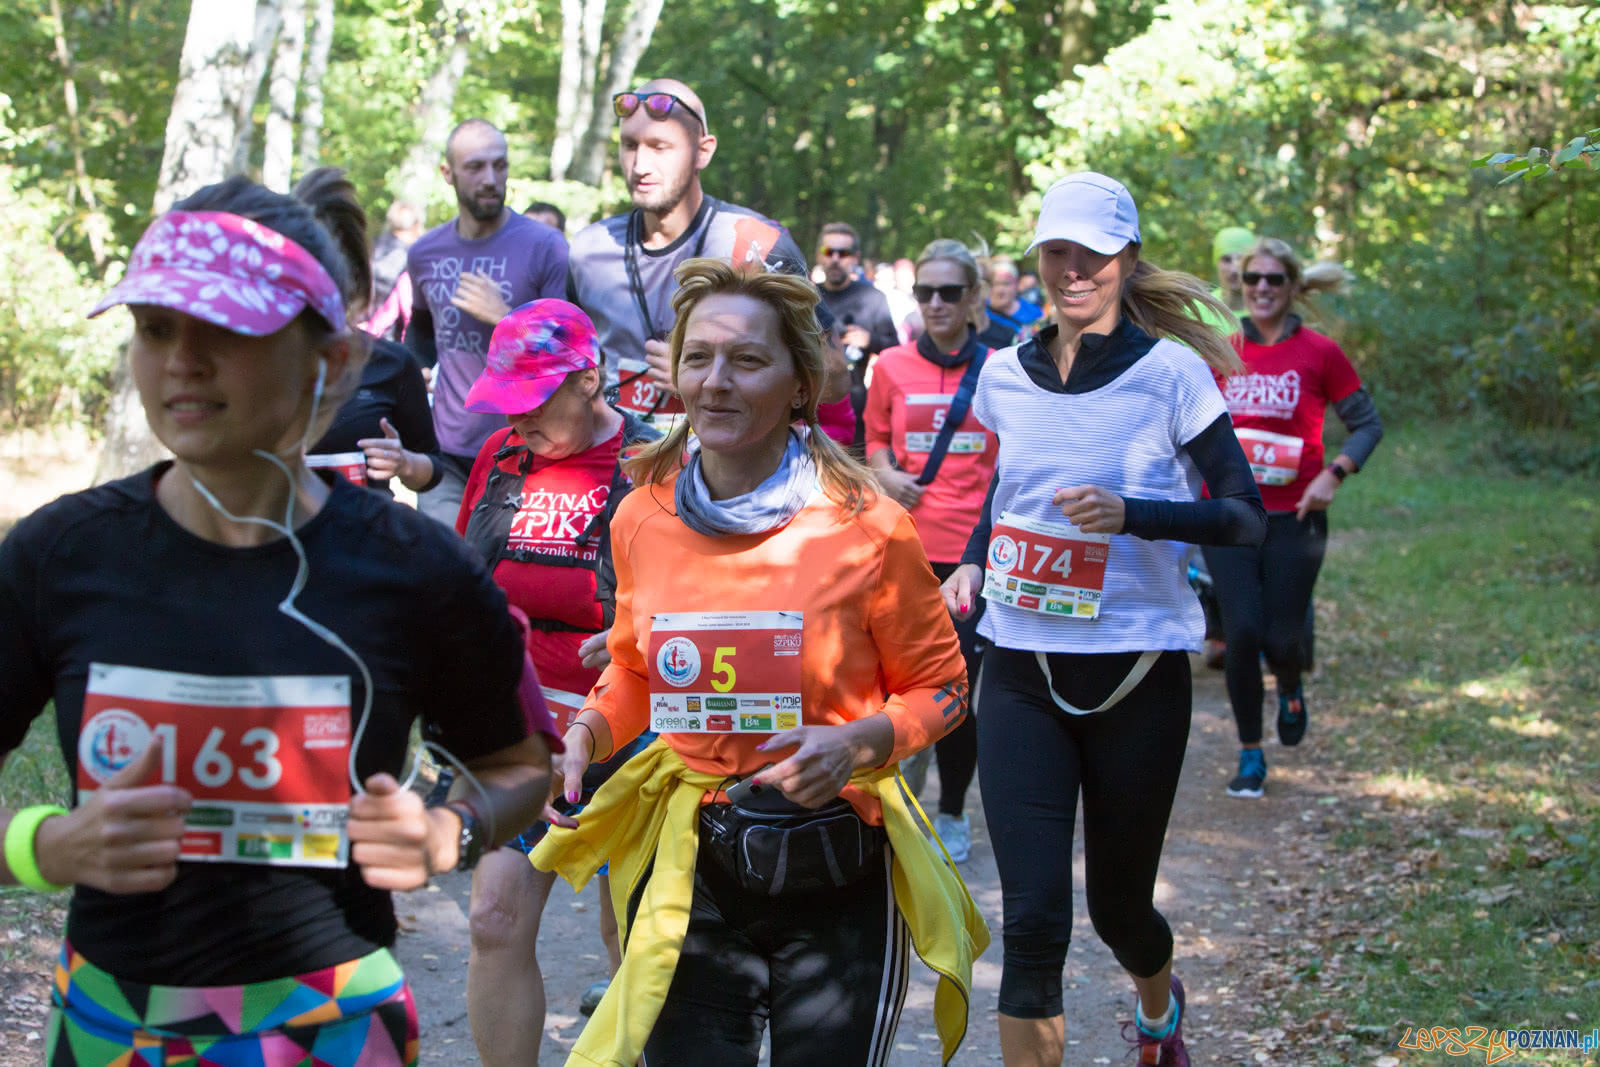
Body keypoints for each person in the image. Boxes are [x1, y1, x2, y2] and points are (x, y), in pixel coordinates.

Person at [0, 175, 554, 1066]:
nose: (181, 360)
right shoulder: (62, 555)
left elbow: (522, 766)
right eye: (154, 328)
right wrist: (44, 844)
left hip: (335, 1027)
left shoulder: (416, 569)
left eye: (224, 331)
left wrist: (451, 827)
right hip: (113, 1025)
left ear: (328, 360)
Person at [533, 257, 988, 1066]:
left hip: (837, 863)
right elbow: (639, 666)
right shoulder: (642, 513)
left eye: (747, 360)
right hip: (690, 866)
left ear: (798, 383)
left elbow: (946, 689)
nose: (716, 381)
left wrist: (858, 744)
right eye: (699, 356)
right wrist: (590, 730)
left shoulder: (868, 526)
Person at [940, 172, 1267, 1066]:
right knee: (1035, 917)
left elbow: (1244, 514)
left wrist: (1137, 513)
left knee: (1120, 909)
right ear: (1038, 257)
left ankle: (1159, 1011)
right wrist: (973, 555)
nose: (1074, 268)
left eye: (1094, 253)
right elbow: (1012, 490)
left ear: (1125, 260)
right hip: (1020, 670)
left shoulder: (1171, 374)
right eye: (1058, 251)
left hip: (1136, 673)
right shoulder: (1004, 373)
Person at [452, 299, 661, 1065]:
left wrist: (638, 636)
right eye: (506, 404)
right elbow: (463, 596)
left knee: (632, 931)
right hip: (522, 723)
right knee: (493, 918)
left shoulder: (659, 463)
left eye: (533, 402)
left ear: (590, 378)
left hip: (634, 726)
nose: (518, 422)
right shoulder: (500, 460)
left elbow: (713, 600)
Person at [1204, 238, 1382, 799]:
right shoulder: (1221, 350)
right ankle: (1251, 754)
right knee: (1241, 632)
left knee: (1283, 637)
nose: (1260, 288)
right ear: (1241, 285)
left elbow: (1368, 424)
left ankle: (1289, 683)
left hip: (1295, 517)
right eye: (1252, 278)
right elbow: (1189, 424)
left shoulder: (1320, 352)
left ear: (1292, 287)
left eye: (1274, 280)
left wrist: (1337, 472)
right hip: (1230, 516)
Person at [566, 78, 809, 430]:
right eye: (629, 145)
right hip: (620, 469)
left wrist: (702, 370)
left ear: (704, 151)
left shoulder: (756, 244)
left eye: (660, 147)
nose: (640, 165)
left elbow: (829, 380)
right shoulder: (589, 249)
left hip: (727, 469)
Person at [864, 238, 997, 863]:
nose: (936, 303)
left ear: (973, 298)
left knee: (958, 687)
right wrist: (886, 473)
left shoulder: (1001, 368)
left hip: (973, 554)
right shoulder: (890, 365)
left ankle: (951, 812)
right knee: (901, 682)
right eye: (925, 293)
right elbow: (875, 442)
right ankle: (900, 803)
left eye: (950, 292)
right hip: (905, 550)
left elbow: (1012, 463)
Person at [406, 118, 570, 525]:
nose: (491, 179)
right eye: (476, 167)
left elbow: (571, 354)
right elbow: (422, 330)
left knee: (499, 582)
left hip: (524, 447)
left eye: (500, 166)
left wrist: (506, 318)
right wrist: (417, 369)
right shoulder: (425, 252)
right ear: (448, 174)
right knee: (443, 577)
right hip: (446, 453)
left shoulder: (544, 246)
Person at [292, 171, 442, 497]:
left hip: (364, 542)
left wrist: (404, 463)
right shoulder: (252, 363)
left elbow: (432, 469)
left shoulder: (391, 364)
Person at [362, 199, 425, 342]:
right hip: (392, 341)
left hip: (362, 332)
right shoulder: (414, 259)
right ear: (416, 226)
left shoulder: (370, 247)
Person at [985, 255, 1044, 343]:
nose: (1000, 290)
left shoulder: (1034, 313)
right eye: (995, 284)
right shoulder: (980, 313)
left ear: (1016, 285)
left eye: (1006, 284)